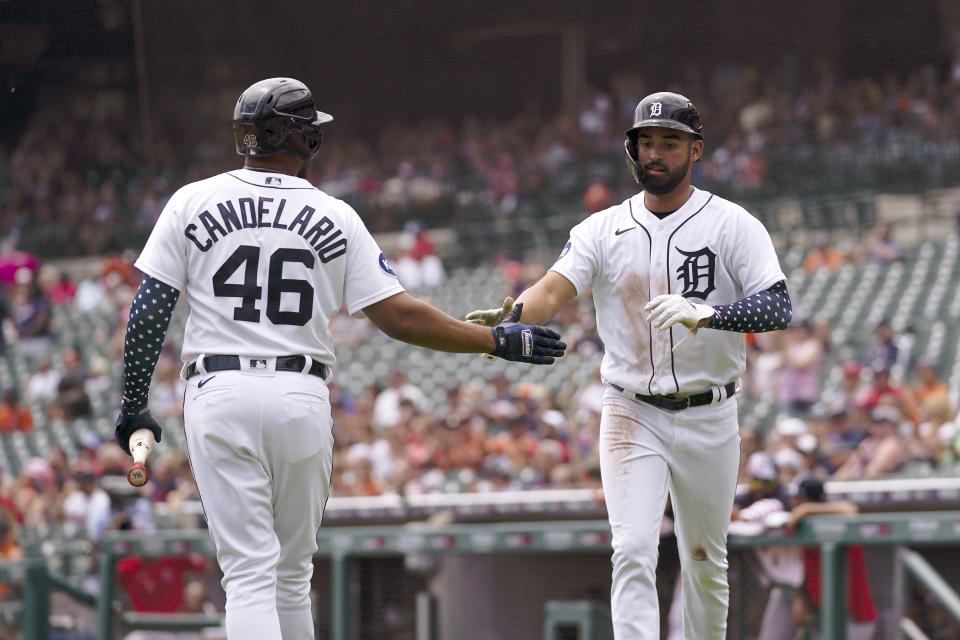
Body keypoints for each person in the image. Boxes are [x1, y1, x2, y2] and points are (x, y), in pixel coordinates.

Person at [113, 77, 565, 640]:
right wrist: (495, 341)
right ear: (306, 141)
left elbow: (150, 309)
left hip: (219, 391)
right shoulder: (336, 215)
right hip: (300, 395)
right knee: (292, 574)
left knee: (249, 573)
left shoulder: (192, 200)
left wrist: (134, 404)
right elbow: (399, 316)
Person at [468, 92, 791, 639]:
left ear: (696, 150)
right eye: (647, 142)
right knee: (633, 548)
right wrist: (512, 315)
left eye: (670, 142)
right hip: (631, 410)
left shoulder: (733, 224)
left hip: (710, 411)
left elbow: (777, 305)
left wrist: (708, 314)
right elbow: (553, 290)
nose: (657, 154)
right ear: (631, 150)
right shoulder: (602, 228)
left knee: (705, 560)